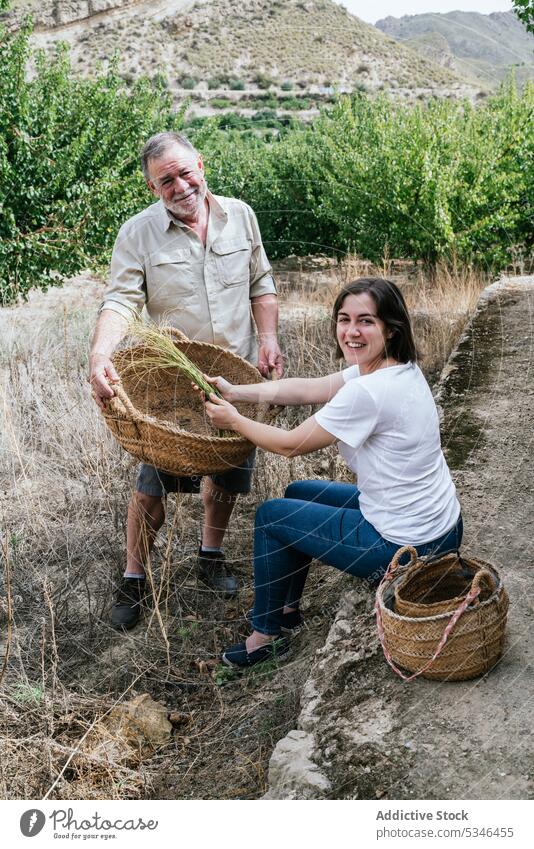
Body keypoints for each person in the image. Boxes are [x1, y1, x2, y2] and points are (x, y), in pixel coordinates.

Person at [197, 277, 463, 667]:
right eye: (344, 319)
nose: (351, 331)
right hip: (443, 527)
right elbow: (310, 389)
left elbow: (290, 444)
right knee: (298, 491)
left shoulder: (368, 392)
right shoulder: (394, 367)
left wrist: (234, 421)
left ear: (390, 328)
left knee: (271, 516)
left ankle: (265, 636)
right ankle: (287, 609)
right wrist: (236, 391)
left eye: (366, 321)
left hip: (407, 549)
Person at [88, 131, 283, 630]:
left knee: (227, 475)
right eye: (165, 180)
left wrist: (268, 339)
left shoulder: (240, 216)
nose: (179, 186)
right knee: (152, 485)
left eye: (184, 172)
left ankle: (210, 555)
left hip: (235, 379)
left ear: (201, 164)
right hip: (174, 383)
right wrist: (100, 353)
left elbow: (261, 284)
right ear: (153, 187)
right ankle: (134, 577)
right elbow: (121, 301)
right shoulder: (138, 233)